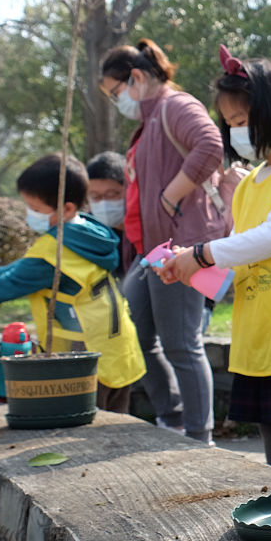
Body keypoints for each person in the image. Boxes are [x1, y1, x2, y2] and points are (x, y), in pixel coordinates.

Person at [157, 47, 271, 472]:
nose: (236, 131)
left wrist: (199, 254)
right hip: (259, 325)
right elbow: (240, 250)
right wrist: (188, 267)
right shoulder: (249, 182)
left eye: (242, 121)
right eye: (231, 123)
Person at [0, 154, 145, 413]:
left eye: (34, 208)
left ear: (67, 208)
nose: (29, 214)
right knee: (117, 423)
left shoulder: (55, 252)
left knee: (84, 428)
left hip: (87, 359)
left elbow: (15, 281)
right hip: (119, 350)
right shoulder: (90, 233)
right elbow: (23, 266)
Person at [99, 38, 225, 444]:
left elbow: (210, 145)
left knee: (181, 344)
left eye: (115, 92)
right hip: (149, 251)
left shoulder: (176, 106)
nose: (116, 101)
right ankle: (171, 418)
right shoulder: (148, 121)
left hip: (180, 246)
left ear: (135, 78)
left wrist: (171, 195)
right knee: (133, 329)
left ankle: (198, 435)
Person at [85, 151, 137, 278]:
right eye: (95, 196)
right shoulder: (87, 233)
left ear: (129, 190)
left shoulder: (147, 231)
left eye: (112, 194)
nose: (104, 203)